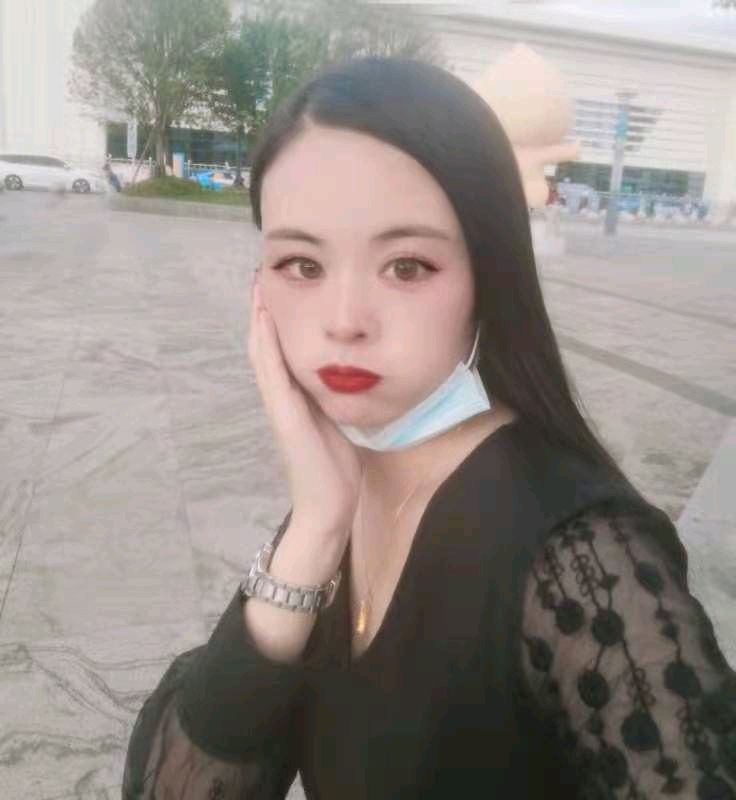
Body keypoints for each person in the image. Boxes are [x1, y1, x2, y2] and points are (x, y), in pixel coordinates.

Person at [122, 58, 736, 800]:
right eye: (301, 264)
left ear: (489, 277)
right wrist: (313, 531)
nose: (344, 321)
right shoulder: (344, 483)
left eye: (407, 267)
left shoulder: (584, 563)